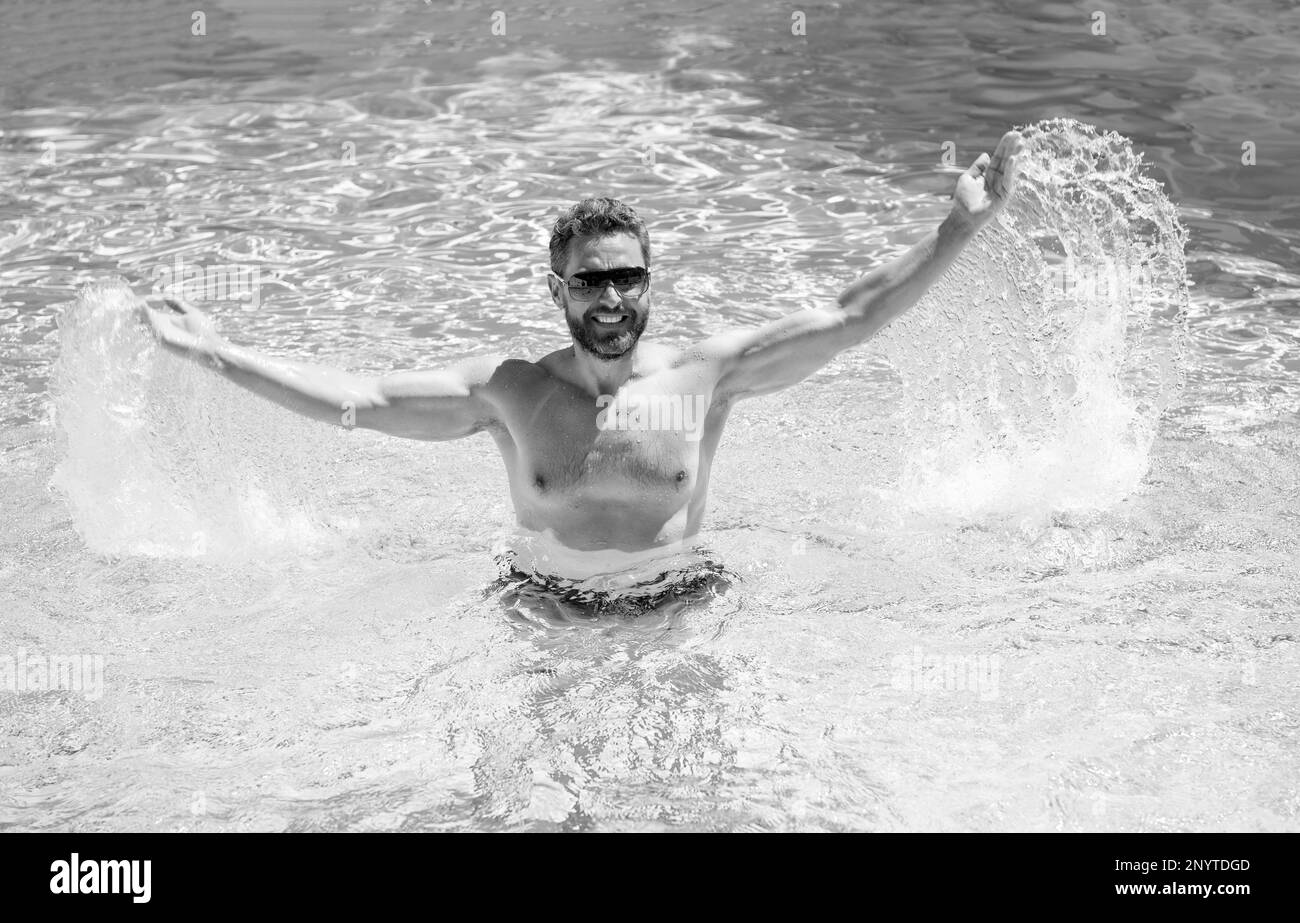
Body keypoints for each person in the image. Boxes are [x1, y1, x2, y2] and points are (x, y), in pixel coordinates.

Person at [139, 131, 1023, 580]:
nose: (612, 299)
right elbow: (359, 398)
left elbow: (850, 313)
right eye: (590, 282)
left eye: (628, 279)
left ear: (649, 282)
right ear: (556, 290)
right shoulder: (511, 395)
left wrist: (957, 227)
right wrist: (219, 354)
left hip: (680, 607)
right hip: (543, 613)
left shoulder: (701, 381)